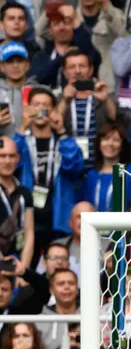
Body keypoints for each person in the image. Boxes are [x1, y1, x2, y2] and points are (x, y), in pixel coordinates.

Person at [22, 86, 84, 250]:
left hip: (57, 219)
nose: (41, 109)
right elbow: (9, 162)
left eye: (46, 105)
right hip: (25, 220)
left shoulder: (63, 142)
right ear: (27, 108)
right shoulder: (22, 141)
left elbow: (76, 166)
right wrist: (22, 128)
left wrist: (62, 131)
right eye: (36, 104)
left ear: (54, 110)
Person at [57, 50, 115, 160]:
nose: (77, 71)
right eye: (72, 67)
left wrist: (105, 99)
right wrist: (65, 100)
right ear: (65, 72)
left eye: (82, 66)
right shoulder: (58, 99)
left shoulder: (102, 94)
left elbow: (114, 117)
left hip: (99, 163)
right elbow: (54, 123)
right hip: (68, 162)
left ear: (91, 70)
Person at [79, 122, 131, 212]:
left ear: (122, 146)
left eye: (116, 140)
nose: (110, 144)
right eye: (106, 139)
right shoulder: (91, 175)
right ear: (99, 144)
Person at [0, 135, 32, 269]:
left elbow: (29, 233)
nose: (7, 161)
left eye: (12, 156)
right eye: (2, 156)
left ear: (18, 159)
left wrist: (23, 269)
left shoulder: (25, 192)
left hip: (19, 262)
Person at [0, 41, 33, 137]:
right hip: (3, 148)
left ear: (27, 65)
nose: (15, 66)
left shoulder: (38, 90)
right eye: (10, 61)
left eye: (20, 60)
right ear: (1, 66)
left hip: (32, 147)